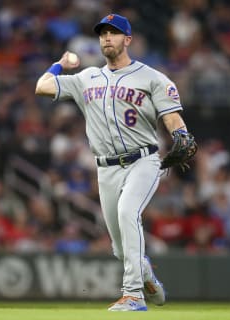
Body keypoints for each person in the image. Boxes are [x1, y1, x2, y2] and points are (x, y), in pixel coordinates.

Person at [35, 13, 195, 311]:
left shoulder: (151, 77)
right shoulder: (87, 78)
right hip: (105, 168)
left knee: (127, 212)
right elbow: (42, 87)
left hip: (143, 161)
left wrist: (181, 134)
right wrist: (59, 64)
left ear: (128, 39)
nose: (107, 38)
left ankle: (133, 295)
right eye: (103, 33)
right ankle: (145, 274)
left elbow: (171, 115)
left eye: (114, 33)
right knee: (120, 249)